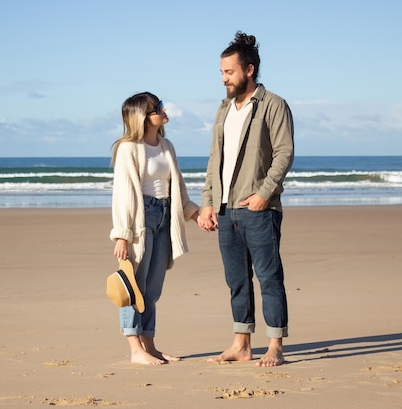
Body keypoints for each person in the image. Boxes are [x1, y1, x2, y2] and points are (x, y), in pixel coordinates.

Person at [198, 32, 295, 367]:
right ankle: (241, 343)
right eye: (222, 73)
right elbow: (215, 158)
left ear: (249, 69)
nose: (224, 78)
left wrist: (264, 195)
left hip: (258, 210)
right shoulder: (224, 109)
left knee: (269, 277)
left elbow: (284, 153)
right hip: (226, 211)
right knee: (236, 281)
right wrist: (208, 201)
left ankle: (275, 346)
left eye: (229, 72)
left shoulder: (274, 105)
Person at [110, 91, 200, 365]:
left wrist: (193, 213)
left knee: (153, 288)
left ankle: (150, 345)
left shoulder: (166, 145)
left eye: (161, 105)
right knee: (132, 286)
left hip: (165, 215)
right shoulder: (128, 148)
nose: (163, 110)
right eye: (157, 108)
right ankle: (135, 348)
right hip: (141, 219)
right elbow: (123, 193)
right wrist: (123, 235)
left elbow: (178, 186)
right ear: (143, 117)